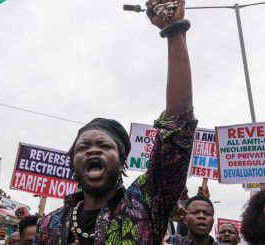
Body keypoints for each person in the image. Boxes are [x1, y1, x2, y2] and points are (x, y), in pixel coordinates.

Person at [35, 0, 198, 244]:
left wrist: (174, 30)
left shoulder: (147, 203)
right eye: (83, 147)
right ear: (72, 162)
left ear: (123, 161)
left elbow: (177, 126)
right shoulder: (48, 225)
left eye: (104, 146)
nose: (92, 150)